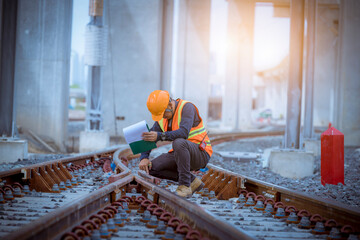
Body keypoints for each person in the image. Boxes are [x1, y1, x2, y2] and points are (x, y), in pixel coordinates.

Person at [139, 90, 212, 197]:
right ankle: (192, 181)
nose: (162, 117)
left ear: (170, 104)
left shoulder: (187, 108)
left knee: (178, 142)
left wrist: (160, 136)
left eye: (163, 113)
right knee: (152, 168)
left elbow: (183, 133)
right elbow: (150, 137)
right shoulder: (162, 119)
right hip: (181, 154)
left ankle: (185, 186)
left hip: (200, 153)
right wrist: (144, 157)